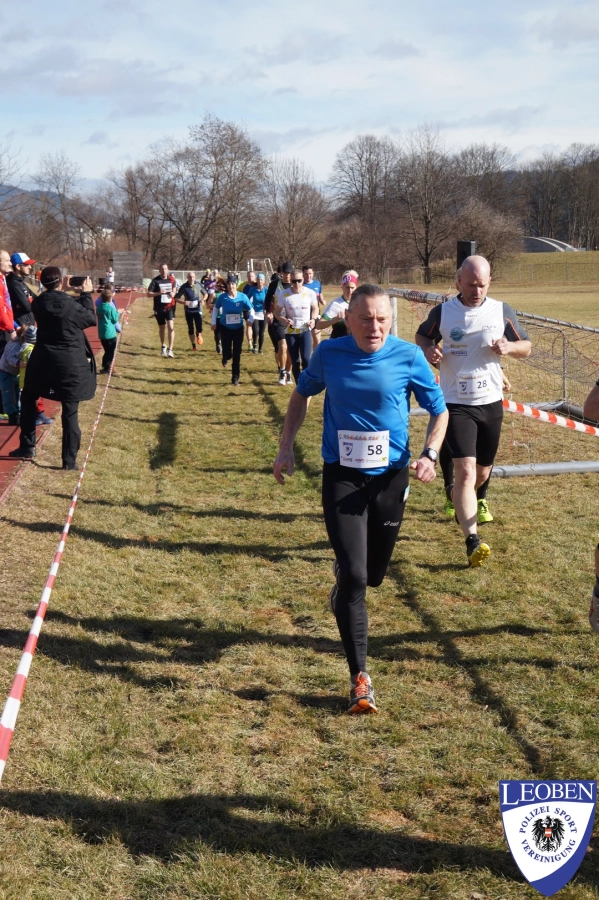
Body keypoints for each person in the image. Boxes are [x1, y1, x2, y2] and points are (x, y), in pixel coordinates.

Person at [274, 284, 448, 713]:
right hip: (343, 476)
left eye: (382, 319)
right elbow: (301, 394)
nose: (374, 327)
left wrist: (430, 454)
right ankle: (360, 678)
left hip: (390, 478)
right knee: (354, 576)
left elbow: (439, 410)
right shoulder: (329, 355)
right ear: (348, 319)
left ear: (391, 320)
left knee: (373, 575)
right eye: (366, 319)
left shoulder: (409, 356)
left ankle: (347, 580)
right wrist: (285, 446)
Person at [415, 255, 531, 566]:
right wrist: (429, 349)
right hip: (455, 403)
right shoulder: (443, 312)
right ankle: (472, 540)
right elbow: (422, 335)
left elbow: (526, 346)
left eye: (481, 285)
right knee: (466, 471)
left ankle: (456, 494)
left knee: (481, 474)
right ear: (458, 282)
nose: (476, 291)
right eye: (470, 285)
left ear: (489, 282)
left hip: (490, 402)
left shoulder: (501, 311)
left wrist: (509, 347)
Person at [10, 268, 97, 469]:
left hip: (43, 360)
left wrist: (59, 289)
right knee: (70, 410)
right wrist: (85, 294)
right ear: (60, 281)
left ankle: (27, 445)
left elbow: (51, 302)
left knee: (28, 397)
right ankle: (69, 461)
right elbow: (90, 319)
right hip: (69, 363)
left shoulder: (39, 303)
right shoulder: (72, 305)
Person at [274, 269, 318, 384]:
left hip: (305, 330)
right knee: (295, 360)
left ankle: (306, 381)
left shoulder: (310, 293)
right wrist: (283, 319)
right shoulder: (284, 294)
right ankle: (299, 385)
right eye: (294, 281)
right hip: (291, 332)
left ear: (303, 279)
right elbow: (277, 312)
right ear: (290, 281)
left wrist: (313, 319)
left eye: (299, 281)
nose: (297, 284)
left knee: (306, 359)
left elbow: (315, 308)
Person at [211, 274, 254, 386]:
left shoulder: (242, 297)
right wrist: (213, 322)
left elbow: (251, 309)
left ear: (236, 284)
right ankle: (225, 356)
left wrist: (250, 319)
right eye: (229, 284)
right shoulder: (223, 297)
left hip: (238, 328)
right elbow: (215, 309)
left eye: (233, 284)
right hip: (225, 327)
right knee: (227, 352)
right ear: (227, 285)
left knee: (237, 354)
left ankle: (235, 378)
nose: (231, 286)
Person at [0, 327, 36, 425]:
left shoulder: (24, 344)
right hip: (6, 372)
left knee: (17, 394)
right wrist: (18, 363)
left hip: (16, 373)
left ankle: (18, 413)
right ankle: (12, 416)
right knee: (8, 395)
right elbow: (9, 358)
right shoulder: (14, 345)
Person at [265, 262, 294, 385]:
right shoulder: (275, 284)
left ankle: (289, 373)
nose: (287, 275)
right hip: (279, 319)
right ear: (281, 273)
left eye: (289, 273)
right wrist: (268, 312)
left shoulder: (296, 284)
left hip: (293, 320)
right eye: (285, 273)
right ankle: (282, 372)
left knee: (291, 349)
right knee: (282, 346)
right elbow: (267, 299)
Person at [316, 270, 358, 339]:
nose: (350, 291)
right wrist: (335, 320)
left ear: (356, 287)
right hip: (338, 343)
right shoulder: (335, 304)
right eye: (347, 287)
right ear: (342, 287)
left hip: (355, 343)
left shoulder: (361, 303)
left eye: (352, 288)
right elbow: (319, 325)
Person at [147, 263, 176, 357]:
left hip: (169, 307)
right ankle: (163, 346)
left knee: (171, 327)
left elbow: (174, 289)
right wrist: (159, 293)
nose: (164, 271)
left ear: (168, 270)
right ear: (159, 270)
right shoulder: (155, 281)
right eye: (162, 269)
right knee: (162, 328)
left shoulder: (171, 279)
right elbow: (148, 294)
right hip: (159, 308)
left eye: (165, 269)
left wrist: (173, 293)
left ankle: (170, 349)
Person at [175, 271, 205, 351]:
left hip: (198, 309)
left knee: (199, 327)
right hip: (188, 311)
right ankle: (194, 345)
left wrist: (203, 300)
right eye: (190, 277)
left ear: (195, 277)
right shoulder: (184, 287)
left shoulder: (198, 285)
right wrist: (183, 302)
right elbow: (176, 298)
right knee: (190, 328)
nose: (192, 278)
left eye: (193, 277)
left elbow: (205, 294)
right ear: (187, 278)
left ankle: (198, 333)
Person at [6, 252, 36, 327]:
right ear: (18, 266)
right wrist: (30, 300)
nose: (30, 267)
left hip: (27, 323)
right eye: (27, 265)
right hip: (21, 326)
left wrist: (30, 300)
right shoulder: (13, 284)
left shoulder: (20, 282)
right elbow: (27, 307)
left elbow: (37, 298)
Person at [96, 286, 121, 374]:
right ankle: (110, 368)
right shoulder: (110, 308)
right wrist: (118, 312)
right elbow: (114, 319)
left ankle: (105, 366)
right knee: (111, 352)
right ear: (110, 298)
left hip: (102, 333)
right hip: (110, 333)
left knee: (107, 351)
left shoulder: (99, 308)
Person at [246, 272, 267, 354]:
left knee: (261, 332)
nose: (259, 281)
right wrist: (251, 307)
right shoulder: (253, 289)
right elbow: (247, 299)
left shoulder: (266, 290)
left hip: (263, 313)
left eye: (261, 279)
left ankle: (260, 349)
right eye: (258, 279)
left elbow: (270, 300)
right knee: (255, 330)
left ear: (264, 281)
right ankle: (254, 345)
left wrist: (267, 309)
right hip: (255, 313)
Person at [302, 265, 323, 348]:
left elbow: (320, 294)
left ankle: (315, 355)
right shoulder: (300, 284)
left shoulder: (317, 284)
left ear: (313, 273)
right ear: (303, 274)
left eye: (310, 273)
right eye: (306, 274)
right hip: (303, 314)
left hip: (315, 313)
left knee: (317, 339)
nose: (308, 276)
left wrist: (322, 300)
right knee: (305, 340)